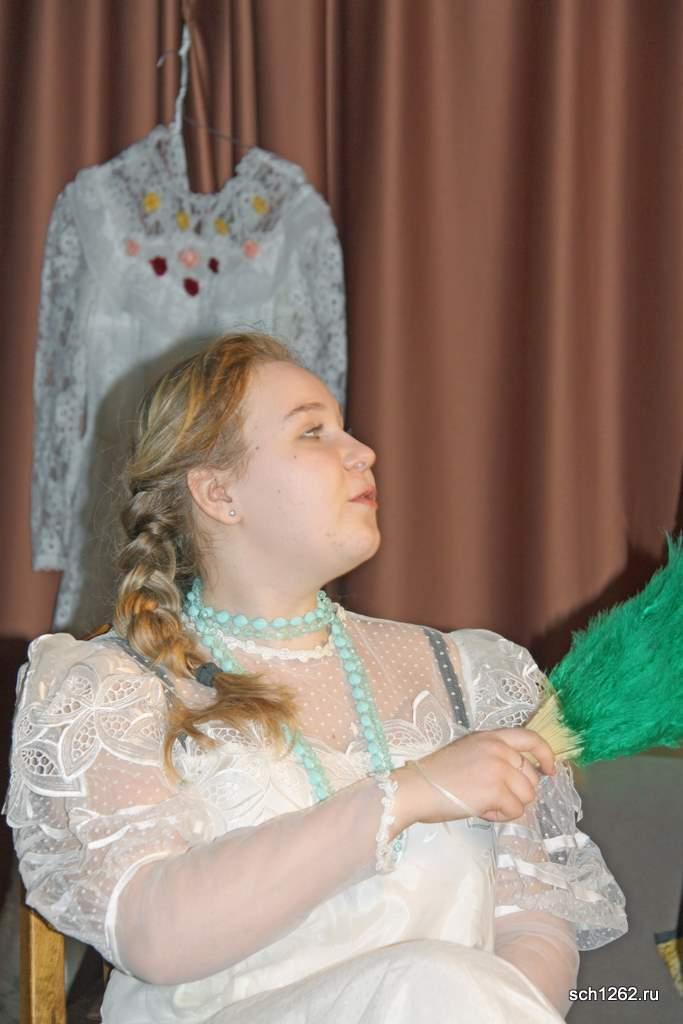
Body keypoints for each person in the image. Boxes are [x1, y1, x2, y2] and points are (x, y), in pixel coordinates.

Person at [4, 332, 627, 1023]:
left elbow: (532, 924)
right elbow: (151, 935)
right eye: (313, 432)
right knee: (428, 979)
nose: (362, 452)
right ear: (219, 492)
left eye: (345, 428)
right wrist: (408, 794)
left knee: (439, 984)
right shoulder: (114, 685)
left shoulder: (471, 677)